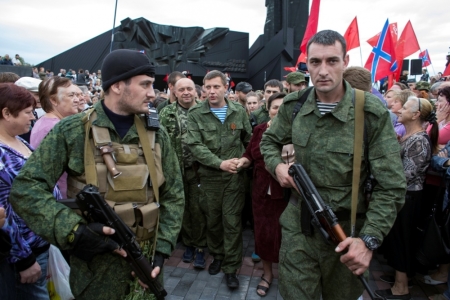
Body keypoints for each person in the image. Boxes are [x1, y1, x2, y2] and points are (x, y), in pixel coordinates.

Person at [9, 49, 184, 300]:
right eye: (144, 84)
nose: (151, 93)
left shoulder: (158, 134)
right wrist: (74, 231)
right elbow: (26, 188)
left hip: (146, 267)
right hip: (96, 273)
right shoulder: (73, 131)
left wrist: (163, 248)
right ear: (116, 86)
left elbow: (174, 194)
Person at [260, 30, 406, 300]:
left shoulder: (370, 113)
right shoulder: (295, 105)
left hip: (346, 233)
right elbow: (269, 142)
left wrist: (369, 240)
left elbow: (392, 187)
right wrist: (276, 167)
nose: (323, 70)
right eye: (315, 62)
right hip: (299, 228)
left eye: (332, 61)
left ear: (345, 61)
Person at [186, 70, 252, 289]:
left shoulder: (238, 111)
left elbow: (249, 141)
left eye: (216, 87)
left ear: (226, 87)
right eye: (207, 87)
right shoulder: (196, 113)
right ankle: (218, 256)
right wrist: (219, 163)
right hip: (210, 178)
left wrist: (244, 160)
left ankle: (231, 268)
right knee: (213, 221)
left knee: (232, 222)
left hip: (234, 179)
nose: (211, 91)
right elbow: (195, 146)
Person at [0, 83, 61, 300]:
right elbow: (3, 217)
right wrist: (23, 258)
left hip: (39, 246)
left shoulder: (17, 141)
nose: (33, 117)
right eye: (27, 112)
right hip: (24, 254)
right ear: (6, 113)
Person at [377, 97, 438, 299]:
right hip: (404, 196)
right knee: (397, 239)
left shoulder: (420, 140)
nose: (399, 110)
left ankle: (401, 288)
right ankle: (400, 277)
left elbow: (406, 174)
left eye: (404, 107)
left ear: (416, 114)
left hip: (409, 197)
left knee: (403, 240)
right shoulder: (411, 136)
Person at [237, 92, 289, 297]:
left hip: (287, 194)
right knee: (263, 234)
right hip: (260, 192)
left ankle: (288, 275)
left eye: (284, 107)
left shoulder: (296, 132)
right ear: (268, 109)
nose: (279, 111)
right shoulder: (259, 130)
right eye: (275, 107)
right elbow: (249, 154)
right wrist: (241, 162)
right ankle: (267, 274)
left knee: (287, 237)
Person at [159, 78, 207, 269]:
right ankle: (188, 244)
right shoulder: (166, 113)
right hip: (176, 171)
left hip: (200, 171)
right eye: (182, 90)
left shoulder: (206, 111)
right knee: (183, 209)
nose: (186, 92)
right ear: (174, 92)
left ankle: (201, 246)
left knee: (200, 209)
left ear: (195, 91)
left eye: (189, 89)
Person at [30, 77, 80, 199]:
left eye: (77, 95)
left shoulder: (49, 122)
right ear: (53, 100)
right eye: (71, 95)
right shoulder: (52, 127)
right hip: (60, 200)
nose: (77, 100)